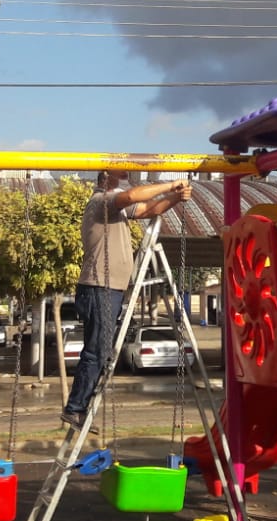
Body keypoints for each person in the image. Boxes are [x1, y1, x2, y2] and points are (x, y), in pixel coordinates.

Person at [62, 171, 193, 425]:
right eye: (121, 178)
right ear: (106, 180)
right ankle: (75, 407)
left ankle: (79, 406)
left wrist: (175, 198)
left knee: (100, 350)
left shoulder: (116, 211)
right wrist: (171, 184)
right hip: (100, 287)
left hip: (109, 288)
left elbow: (147, 209)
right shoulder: (101, 201)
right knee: (96, 351)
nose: (125, 182)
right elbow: (132, 196)